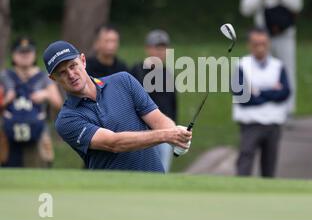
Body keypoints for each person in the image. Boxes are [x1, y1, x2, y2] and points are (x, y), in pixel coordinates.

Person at [44, 41, 191, 171]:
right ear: (53, 78)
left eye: (73, 65)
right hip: (115, 194)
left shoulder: (123, 81)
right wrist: (168, 135)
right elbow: (114, 143)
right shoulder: (66, 120)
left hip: (155, 182)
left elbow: (158, 120)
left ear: (83, 61)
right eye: (62, 72)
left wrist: (177, 135)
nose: (71, 74)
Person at [239, 0, 303, 116]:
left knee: (287, 70)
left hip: (285, 34)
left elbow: (297, 5)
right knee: (263, 69)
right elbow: (245, 9)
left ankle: (288, 110)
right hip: (264, 36)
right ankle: (265, 104)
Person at [232, 28, 291, 177]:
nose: (260, 47)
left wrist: (257, 92)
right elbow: (242, 97)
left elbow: (284, 93)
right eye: (256, 43)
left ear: (268, 44)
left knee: (269, 165)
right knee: (245, 160)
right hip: (251, 122)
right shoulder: (241, 65)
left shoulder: (278, 66)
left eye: (263, 43)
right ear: (249, 45)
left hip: (273, 122)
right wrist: (272, 91)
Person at [1, 37, 63, 167]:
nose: (25, 55)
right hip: (8, 133)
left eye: (28, 52)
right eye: (21, 52)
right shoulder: (5, 76)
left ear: (34, 55)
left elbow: (59, 104)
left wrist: (45, 94)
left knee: (40, 167)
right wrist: (7, 98)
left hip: (38, 132)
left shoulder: (44, 77)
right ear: (13, 55)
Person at [130, 30, 177, 172]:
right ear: (148, 49)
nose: (160, 52)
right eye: (157, 47)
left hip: (165, 131)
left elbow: (172, 105)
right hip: (143, 132)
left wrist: (174, 128)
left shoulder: (167, 74)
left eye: (163, 48)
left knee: (163, 171)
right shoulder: (137, 71)